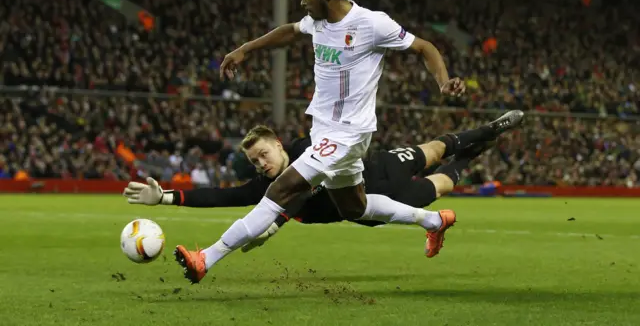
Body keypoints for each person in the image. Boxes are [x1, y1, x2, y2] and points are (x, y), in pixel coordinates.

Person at [174, 0, 469, 284]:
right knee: (354, 208)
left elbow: (424, 47)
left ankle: (205, 259)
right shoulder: (318, 22)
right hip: (324, 131)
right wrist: (247, 49)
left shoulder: (372, 24)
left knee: (281, 188)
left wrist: (443, 81)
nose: (301, 1)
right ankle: (434, 221)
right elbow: (290, 31)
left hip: (348, 134)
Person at [123, 111, 523, 253]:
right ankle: (473, 155)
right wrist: (165, 198)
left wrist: (275, 225)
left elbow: (310, 185)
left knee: (432, 148)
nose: (261, 163)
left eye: (264, 153)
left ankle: (488, 129)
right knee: (441, 185)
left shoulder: (305, 149)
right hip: (374, 204)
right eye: (254, 160)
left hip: (376, 166)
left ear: (278, 145)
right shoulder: (267, 191)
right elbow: (219, 196)